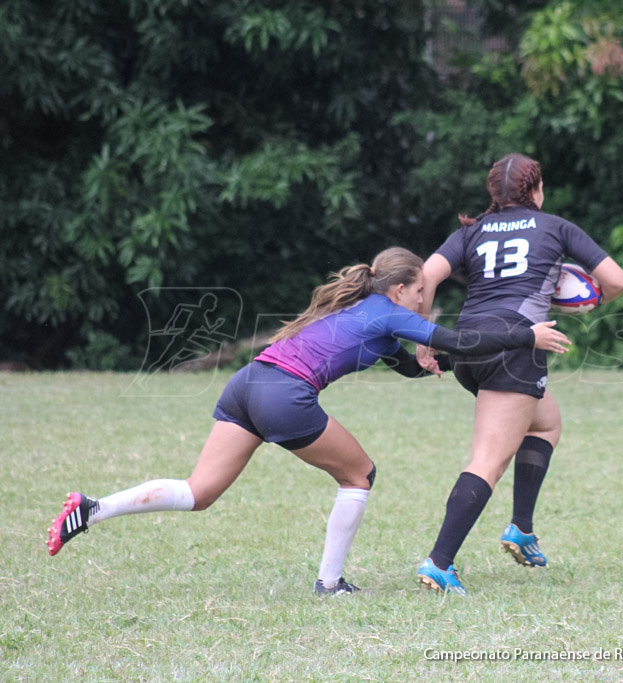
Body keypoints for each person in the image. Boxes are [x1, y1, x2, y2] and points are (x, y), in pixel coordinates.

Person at [46, 247, 571, 596]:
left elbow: (418, 364)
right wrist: (525, 336)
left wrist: (437, 363)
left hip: (248, 384)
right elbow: (457, 340)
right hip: (284, 395)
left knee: (198, 491)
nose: (422, 300)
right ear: (399, 291)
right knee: (359, 475)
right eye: (418, 293)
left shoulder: (371, 317)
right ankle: (330, 584)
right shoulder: (391, 312)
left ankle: (93, 509)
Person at [413, 153, 623, 594]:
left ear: (494, 194)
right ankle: (439, 562)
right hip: (515, 346)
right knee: (488, 461)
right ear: (535, 191)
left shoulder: (469, 232)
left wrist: (425, 336)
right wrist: (591, 301)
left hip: (468, 347)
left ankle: (521, 530)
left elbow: (425, 276)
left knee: (546, 423)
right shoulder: (555, 227)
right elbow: (617, 281)